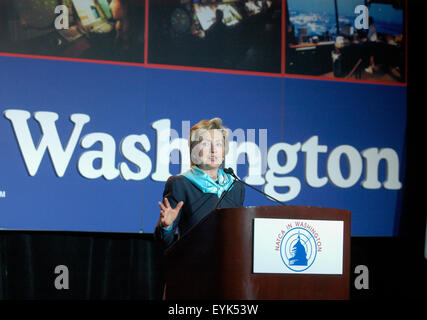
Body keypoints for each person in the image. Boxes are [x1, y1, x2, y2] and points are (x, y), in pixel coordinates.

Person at [154, 118, 245, 247]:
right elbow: (163, 241)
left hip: (229, 263)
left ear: (224, 152)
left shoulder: (235, 187)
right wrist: (166, 226)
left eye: (219, 144)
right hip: (194, 263)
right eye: (206, 144)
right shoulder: (181, 184)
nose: (213, 150)